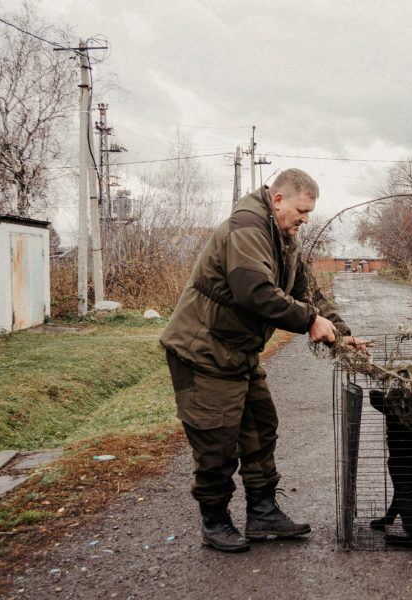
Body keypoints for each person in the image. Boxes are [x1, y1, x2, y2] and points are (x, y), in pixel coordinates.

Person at [161, 168, 369, 553]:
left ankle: (262, 513)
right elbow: (253, 291)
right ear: (278, 200)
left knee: (260, 428)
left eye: (309, 213)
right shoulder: (248, 228)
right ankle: (215, 521)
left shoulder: (284, 237)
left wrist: (340, 334)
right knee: (216, 441)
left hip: (238, 351)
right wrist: (308, 321)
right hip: (203, 350)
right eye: (302, 210)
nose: (306, 219)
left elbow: (310, 293)